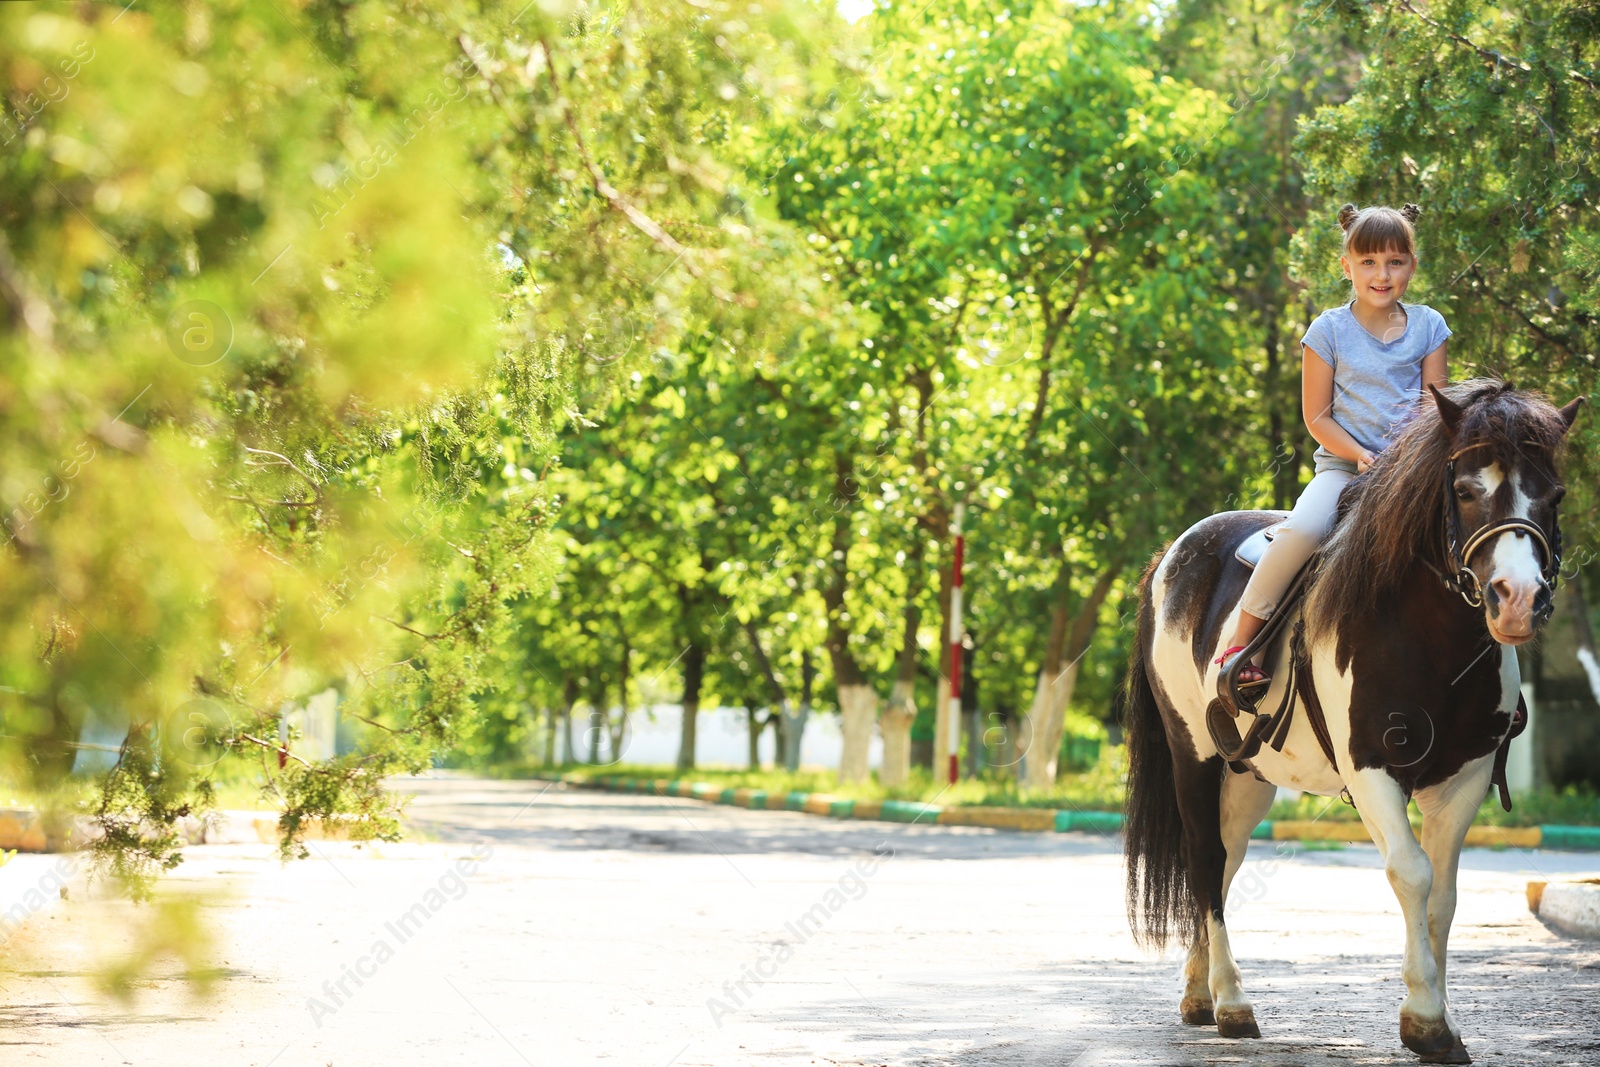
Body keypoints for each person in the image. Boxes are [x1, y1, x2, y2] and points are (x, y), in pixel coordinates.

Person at [1217, 202, 1451, 693]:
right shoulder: (1327, 330)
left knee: (1480, 533)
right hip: (1344, 470)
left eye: (1395, 261)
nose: (1381, 274)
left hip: (1412, 474)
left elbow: (1435, 409)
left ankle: (1496, 677)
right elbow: (1317, 417)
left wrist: (1407, 462)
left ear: (1412, 264)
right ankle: (1242, 641)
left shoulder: (1430, 325)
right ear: (1346, 266)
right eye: (1368, 262)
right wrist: (1363, 456)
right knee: (1304, 528)